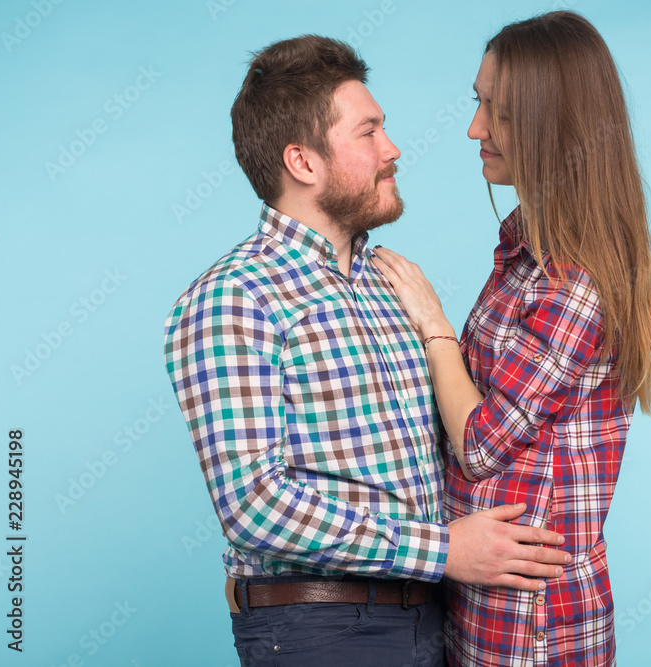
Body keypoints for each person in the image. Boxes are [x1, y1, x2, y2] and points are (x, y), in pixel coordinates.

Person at [163, 34, 572, 667]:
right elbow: (255, 505)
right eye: (369, 132)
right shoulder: (235, 298)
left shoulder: (390, 284)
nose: (392, 149)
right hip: (322, 629)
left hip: (432, 616)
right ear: (303, 162)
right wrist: (445, 550)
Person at [372, 11, 651, 666]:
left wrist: (432, 323)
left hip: (533, 622)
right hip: (480, 602)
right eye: (478, 102)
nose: (474, 128)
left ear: (554, 127)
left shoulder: (573, 286)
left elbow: (480, 445)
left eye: (499, 113)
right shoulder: (526, 255)